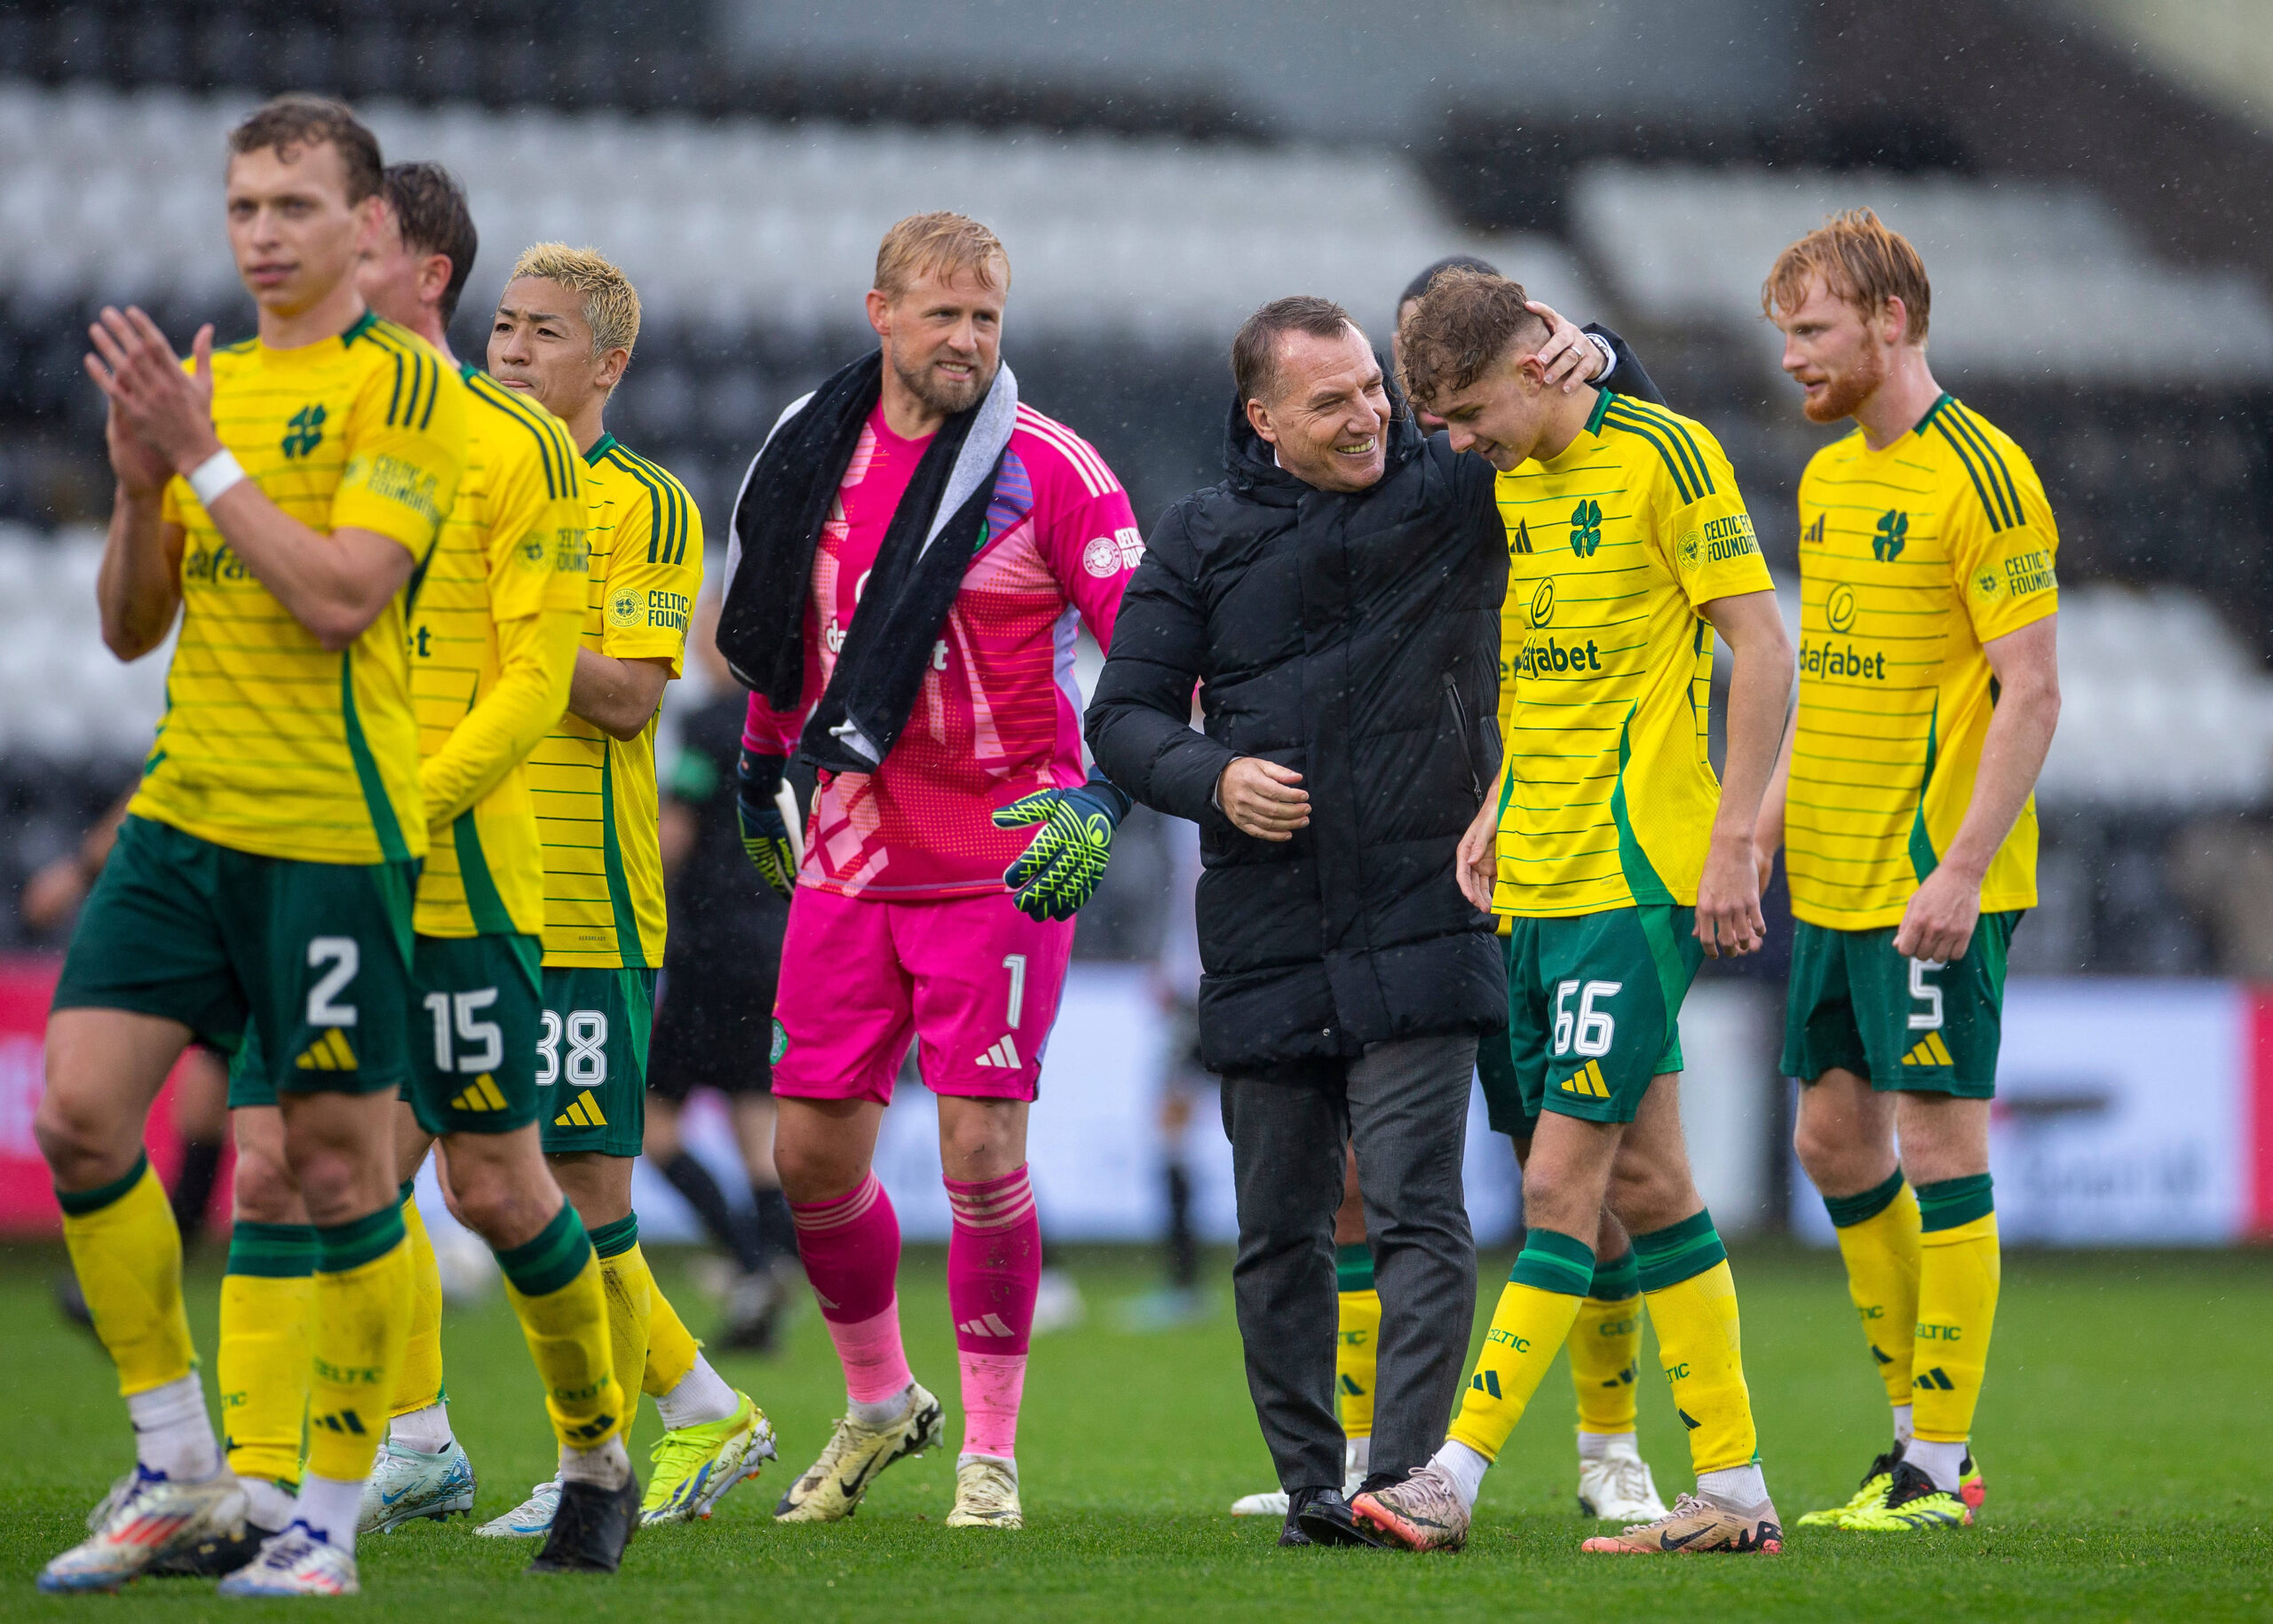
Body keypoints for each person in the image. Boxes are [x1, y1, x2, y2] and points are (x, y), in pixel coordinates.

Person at [36, 96, 467, 1596]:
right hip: (182, 816)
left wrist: (203, 458)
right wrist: (147, 485)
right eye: (243, 208)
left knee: (341, 1173)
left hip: (328, 836)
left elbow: (345, 593)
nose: (264, 233)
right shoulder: (204, 379)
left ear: (363, 227)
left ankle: (329, 1522)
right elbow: (127, 623)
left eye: (293, 205)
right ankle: (181, 1463)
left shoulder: (404, 388)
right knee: (83, 1118)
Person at [206, 160, 640, 1578]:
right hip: (325, 868)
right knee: (284, 1170)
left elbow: (539, 688)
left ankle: (595, 1449)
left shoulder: (524, 454)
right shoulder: (315, 428)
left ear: (415, 272)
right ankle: (263, 1496)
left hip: (462, 883)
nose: (301, 267)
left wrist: (407, 800)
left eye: (342, 246)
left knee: (498, 1190)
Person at [1089, 292, 1575, 1549]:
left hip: (1428, 908)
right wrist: (1215, 779)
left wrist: (1603, 353)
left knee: (1419, 1207)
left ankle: (1403, 1482)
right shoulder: (1198, 536)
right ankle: (1313, 1482)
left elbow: (1587, 429)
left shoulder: (1454, 485)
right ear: (1263, 419)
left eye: (1371, 387)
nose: (1369, 415)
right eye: (1332, 400)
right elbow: (1125, 716)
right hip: (1264, 923)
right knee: (1280, 1232)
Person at [1227, 255, 1676, 1527]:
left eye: (1444, 393)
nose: (1436, 423)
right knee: (1377, 1180)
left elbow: (1636, 429)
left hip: (1547, 867)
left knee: (1576, 1169)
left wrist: (1600, 340)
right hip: (1423, 883)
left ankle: (1610, 1443)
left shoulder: (1516, 468)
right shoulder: (1436, 475)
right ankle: (1374, 1458)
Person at [1352, 267, 1794, 1557]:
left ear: (1538, 367)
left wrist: (1734, 840)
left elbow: (1760, 650)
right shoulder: (1518, 481)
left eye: (1466, 410)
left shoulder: (1667, 455)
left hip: (1633, 871)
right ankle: (1736, 1490)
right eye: (1435, 419)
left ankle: (1453, 1473)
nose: (1452, 441)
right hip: (1539, 868)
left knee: (1558, 1182)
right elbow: (1552, 670)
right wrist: (1499, 794)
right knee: (1652, 1180)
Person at [716, 210, 1142, 1533]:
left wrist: (1107, 797)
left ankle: (993, 1454)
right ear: (881, 313)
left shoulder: (1049, 467)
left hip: (1007, 860)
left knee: (977, 1147)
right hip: (849, 847)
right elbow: (786, 620)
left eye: (988, 319)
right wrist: (756, 763)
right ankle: (880, 1401)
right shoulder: (811, 447)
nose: (967, 340)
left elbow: (1153, 648)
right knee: (810, 1157)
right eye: (943, 314)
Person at [1756, 210, 2059, 1533]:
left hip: (1932, 878)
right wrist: (1754, 829)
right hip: (1827, 873)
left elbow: (2034, 694)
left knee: (1939, 1144)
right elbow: (1825, 685)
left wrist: (1965, 871)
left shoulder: (1984, 476)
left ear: (1891, 322)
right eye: (1786, 336)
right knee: (1831, 1139)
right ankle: (1913, 1441)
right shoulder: (1828, 482)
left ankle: (1940, 1467)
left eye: (1812, 330)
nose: (1793, 359)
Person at [465, 244, 773, 1540]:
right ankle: (684, 1403)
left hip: (587, 892)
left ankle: (607, 1446)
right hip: (466, 877)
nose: (512, 349)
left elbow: (631, 693)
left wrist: (504, 621)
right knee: (478, 1171)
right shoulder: (457, 477)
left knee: (580, 1186)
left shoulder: (644, 505)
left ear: (610, 363)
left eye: (544, 331)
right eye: (503, 326)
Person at [649, 590, 800, 1353]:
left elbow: (674, 835)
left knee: (652, 1121)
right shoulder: (792, 723)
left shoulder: (712, 724)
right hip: (778, 946)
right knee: (754, 1126)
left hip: (710, 949)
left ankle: (748, 1259)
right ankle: (769, 1274)